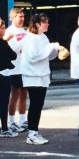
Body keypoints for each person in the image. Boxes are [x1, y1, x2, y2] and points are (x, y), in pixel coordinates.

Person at [18, 12, 61, 145]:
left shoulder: (43, 37)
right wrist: (50, 47)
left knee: (39, 104)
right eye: (44, 22)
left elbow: (48, 56)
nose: (47, 24)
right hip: (32, 76)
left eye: (47, 21)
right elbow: (33, 57)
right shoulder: (30, 38)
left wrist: (55, 49)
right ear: (37, 24)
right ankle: (31, 134)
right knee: (35, 104)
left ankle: (35, 131)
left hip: (42, 75)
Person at [2, 7, 28, 133]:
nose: (22, 19)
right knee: (14, 95)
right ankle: (11, 121)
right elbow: (13, 49)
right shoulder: (9, 31)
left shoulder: (25, 31)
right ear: (12, 18)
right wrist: (23, 46)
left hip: (24, 68)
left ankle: (23, 121)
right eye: (19, 17)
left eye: (23, 16)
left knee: (24, 94)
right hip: (14, 68)